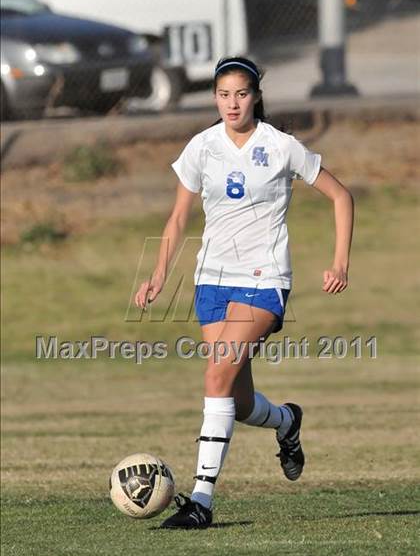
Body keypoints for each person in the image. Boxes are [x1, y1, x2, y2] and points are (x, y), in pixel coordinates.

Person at [134, 56, 354, 529]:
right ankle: (287, 423)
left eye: (241, 93)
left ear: (256, 96)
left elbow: (341, 196)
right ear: (214, 97)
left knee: (215, 379)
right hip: (210, 280)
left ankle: (201, 502)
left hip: (264, 278)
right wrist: (157, 274)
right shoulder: (202, 146)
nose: (232, 103)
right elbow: (177, 220)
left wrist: (339, 261)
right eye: (223, 94)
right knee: (237, 397)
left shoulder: (281, 146)